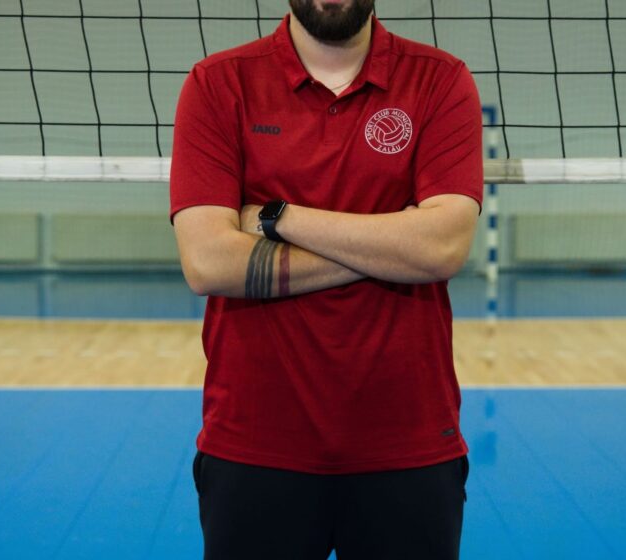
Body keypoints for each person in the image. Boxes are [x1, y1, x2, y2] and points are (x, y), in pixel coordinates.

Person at [169, 1, 483, 558]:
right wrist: (392, 243)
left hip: (408, 443)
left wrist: (278, 218)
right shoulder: (216, 84)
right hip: (254, 444)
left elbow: (441, 248)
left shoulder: (441, 80)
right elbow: (208, 263)